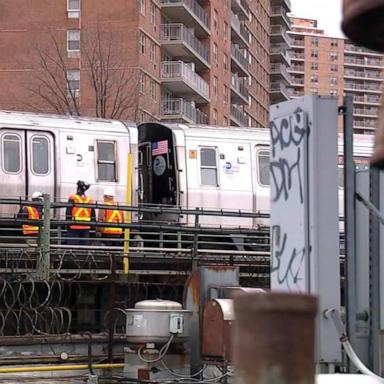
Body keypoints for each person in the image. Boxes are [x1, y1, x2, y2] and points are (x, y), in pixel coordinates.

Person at [66, 180, 95, 246]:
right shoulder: (90, 200)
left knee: (73, 249)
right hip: (86, 228)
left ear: (78, 188)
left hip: (74, 227)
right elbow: (93, 215)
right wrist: (93, 227)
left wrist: (67, 225)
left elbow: (68, 212)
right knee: (84, 250)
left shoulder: (72, 198)